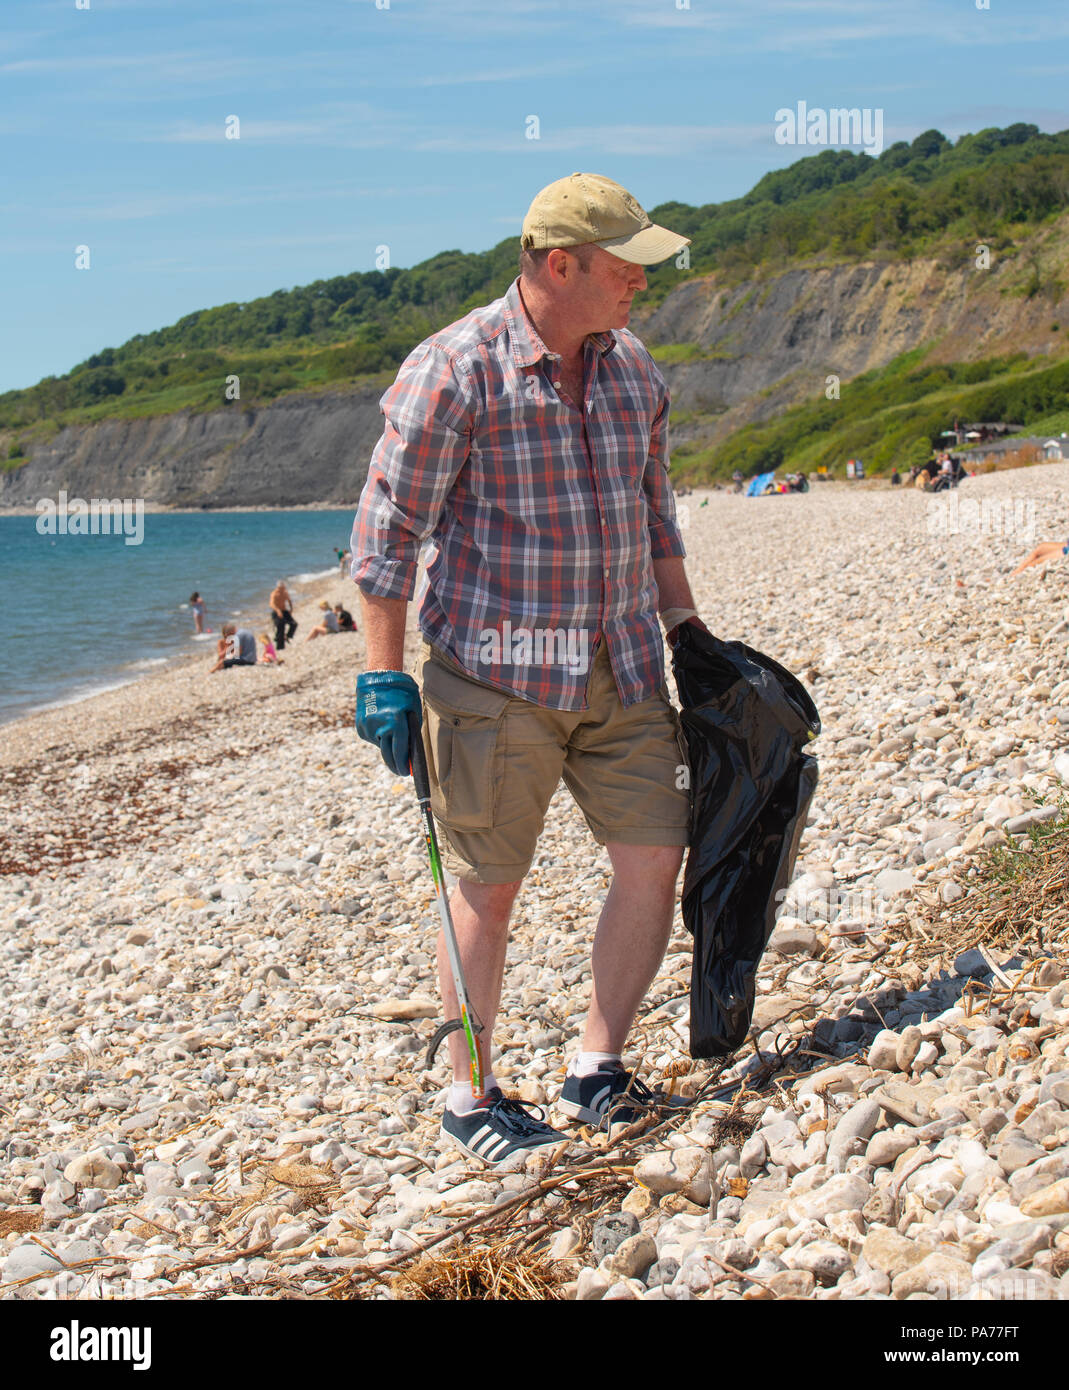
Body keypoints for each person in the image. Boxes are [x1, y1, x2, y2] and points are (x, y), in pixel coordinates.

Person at [352, 172, 705, 1167]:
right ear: (561, 264)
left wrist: (690, 633)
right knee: (486, 885)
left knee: (653, 855)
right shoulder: (454, 371)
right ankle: (470, 1096)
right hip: (495, 679)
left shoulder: (633, 370)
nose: (641, 283)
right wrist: (381, 675)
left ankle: (595, 1069)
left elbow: (653, 516)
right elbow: (386, 535)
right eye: (626, 265)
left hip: (622, 663)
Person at [269, 580, 297, 650]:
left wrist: (291, 609)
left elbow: (289, 601)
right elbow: (271, 604)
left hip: (284, 611)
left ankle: (287, 636)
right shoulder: (274, 594)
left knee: (294, 624)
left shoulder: (285, 593)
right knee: (280, 627)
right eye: (282, 588)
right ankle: (279, 646)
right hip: (276, 612)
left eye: (284, 587)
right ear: (279, 587)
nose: (284, 589)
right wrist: (278, 611)